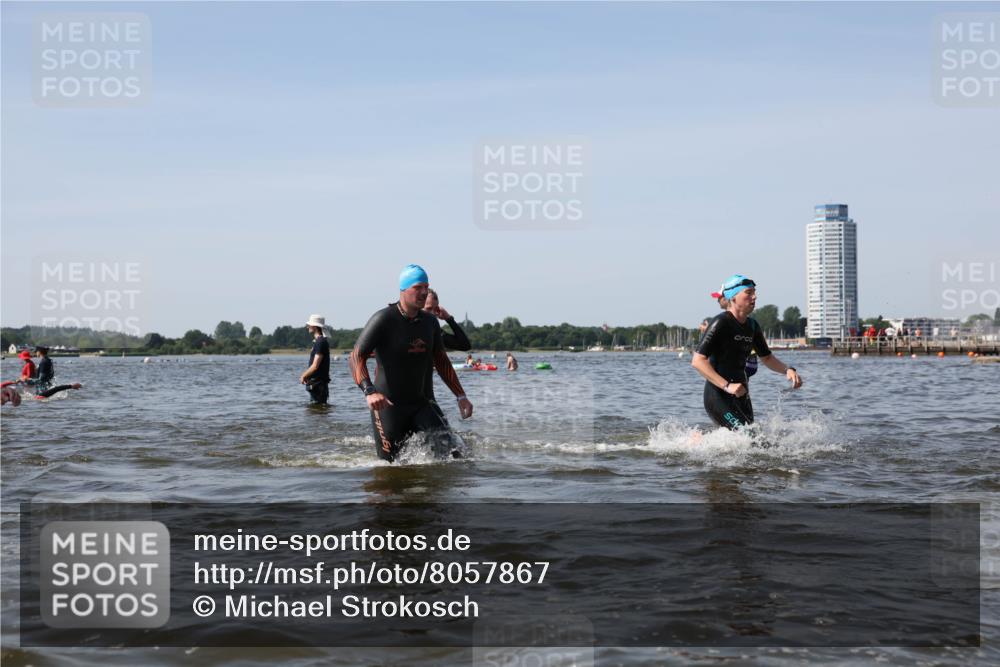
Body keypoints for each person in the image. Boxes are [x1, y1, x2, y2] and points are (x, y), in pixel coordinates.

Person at [349, 264, 473, 463]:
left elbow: (442, 361)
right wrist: (369, 391)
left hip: (420, 403)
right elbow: (356, 357)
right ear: (403, 289)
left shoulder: (430, 323)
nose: (424, 292)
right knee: (389, 466)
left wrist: (461, 396)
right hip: (388, 406)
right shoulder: (383, 319)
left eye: (426, 287)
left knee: (455, 456)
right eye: (418, 287)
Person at [691, 274, 803, 430]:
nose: (754, 297)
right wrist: (727, 386)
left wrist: (787, 369)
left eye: (754, 292)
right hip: (718, 394)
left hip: (741, 393)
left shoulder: (753, 326)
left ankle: (699, 440)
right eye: (749, 293)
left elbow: (768, 358)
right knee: (747, 437)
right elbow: (698, 361)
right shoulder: (721, 322)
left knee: (755, 442)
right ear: (734, 297)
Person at [300, 314, 330, 405]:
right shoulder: (319, 341)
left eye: (309, 324)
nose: (307, 326)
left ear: (315, 327)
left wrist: (303, 375)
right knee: (316, 413)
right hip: (316, 383)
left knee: (317, 411)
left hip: (318, 384)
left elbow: (315, 366)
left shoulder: (320, 342)